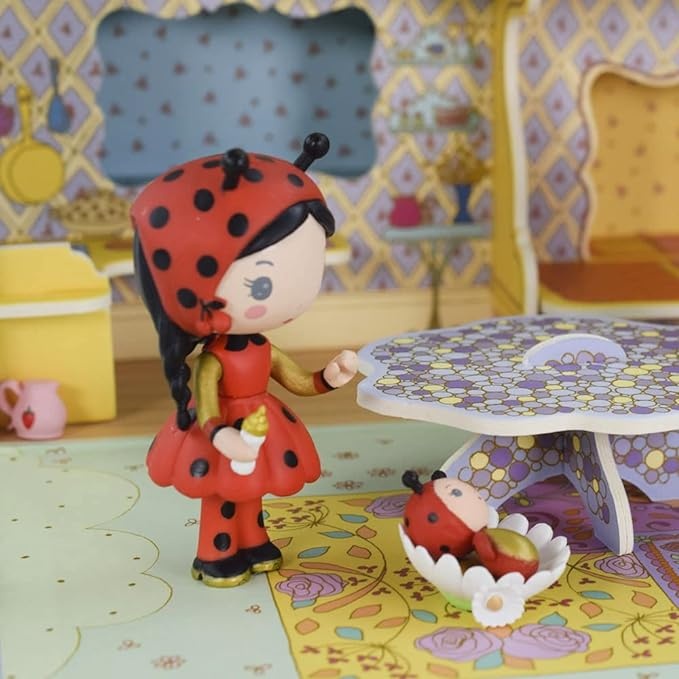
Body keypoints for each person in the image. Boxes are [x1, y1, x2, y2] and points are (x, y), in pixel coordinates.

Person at [132, 133, 357, 587]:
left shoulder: (263, 348)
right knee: (222, 492)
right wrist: (221, 436)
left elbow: (297, 380)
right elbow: (206, 406)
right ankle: (215, 552)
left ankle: (253, 540)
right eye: (262, 284)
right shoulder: (212, 362)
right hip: (226, 431)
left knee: (250, 491)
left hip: (259, 422)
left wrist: (328, 378)